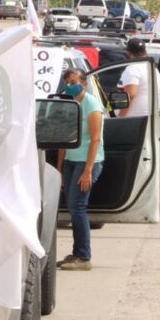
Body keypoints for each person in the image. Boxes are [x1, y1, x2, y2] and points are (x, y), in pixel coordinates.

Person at [56, 68, 105, 271]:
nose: (70, 85)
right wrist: (59, 169)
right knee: (72, 206)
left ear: (84, 84)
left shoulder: (91, 105)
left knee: (78, 207)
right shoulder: (68, 103)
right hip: (71, 160)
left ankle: (83, 256)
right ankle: (77, 252)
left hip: (86, 162)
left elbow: (95, 139)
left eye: (74, 81)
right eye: (67, 81)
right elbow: (63, 137)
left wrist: (88, 170)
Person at [118, 38, 160, 166]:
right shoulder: (152, 68)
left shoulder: (132, 69)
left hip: (134, 120)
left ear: (129, 53)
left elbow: (130, 94)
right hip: (151, 115)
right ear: (144, 51)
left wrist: (120, 116)